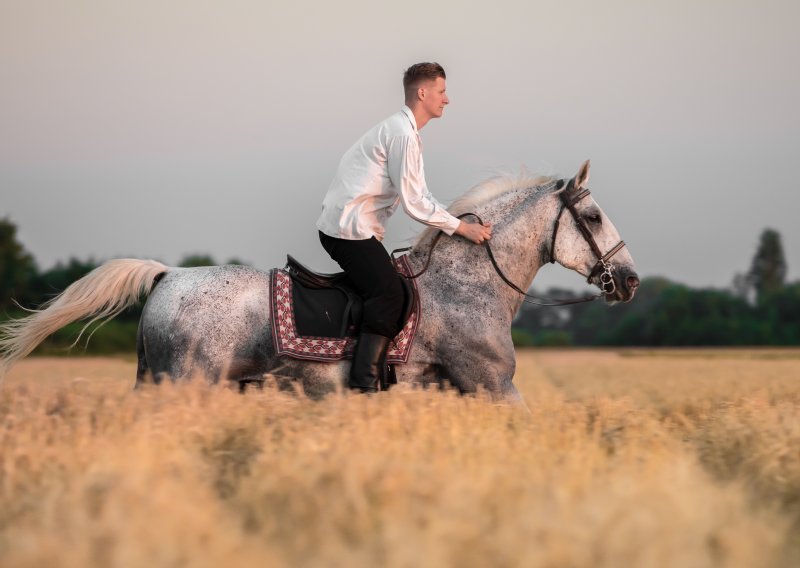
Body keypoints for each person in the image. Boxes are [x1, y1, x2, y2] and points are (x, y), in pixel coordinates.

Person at [316, 62, 492, 392]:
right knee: (389, 294)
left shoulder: (404, 132)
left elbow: (421, 195)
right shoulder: (401, 136)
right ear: (422, 93)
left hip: (355, 228)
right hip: (348, 230)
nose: (447, 99)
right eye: (442, 92)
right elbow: (414, 203)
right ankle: (363, 387)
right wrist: (461, 229)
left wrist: (458, 219)